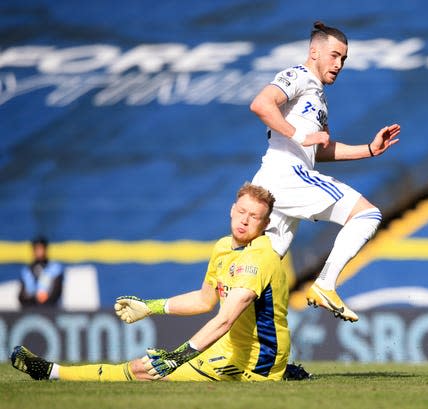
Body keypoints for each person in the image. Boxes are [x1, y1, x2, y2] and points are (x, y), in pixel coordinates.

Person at [11, 183, 307, 382]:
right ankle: (52, 371)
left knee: (145, 370)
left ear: (265, 224)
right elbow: (205, 300)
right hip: (231, 348)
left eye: (254, 217)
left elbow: (225, 319)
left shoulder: (259, 257)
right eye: (241, 211)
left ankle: (50, 372)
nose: (244, 220)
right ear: (232, 209)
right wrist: (150, 306)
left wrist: (179, 357)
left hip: (256, 360)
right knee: (146, 366)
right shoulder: (222, 247)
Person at [250, 21, 401, 322]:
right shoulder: (297, 75)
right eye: (334, 55)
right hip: (287, 174)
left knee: (253, 277)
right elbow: (261, 104)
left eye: (343, 59)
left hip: (275, 182)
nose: (339, 64)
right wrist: (299, 136)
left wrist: (369, 149)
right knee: (366, 215)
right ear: (314, 51)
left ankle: (236, 356)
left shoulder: (318, 96)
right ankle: (325, 285)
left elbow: (319, 150)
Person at [18, 236, 64, 308]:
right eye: (36, 249)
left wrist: (44, 298)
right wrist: (35, 298)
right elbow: (21, 297)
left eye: (41, 248)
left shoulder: (55, 268)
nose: (39, 252)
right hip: (30, 311)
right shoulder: (26, 271)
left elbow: (56, 293)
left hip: (51, 311)